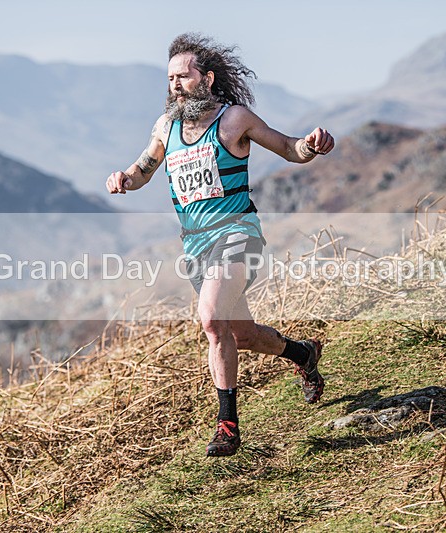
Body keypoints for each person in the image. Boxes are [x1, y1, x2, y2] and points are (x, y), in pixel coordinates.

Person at [106, 33, 335, 457]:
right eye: (170, 78)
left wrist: (312, 144)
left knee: (211, 321)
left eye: (184, 76)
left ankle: (227, 427)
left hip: (238, 235)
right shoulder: (165, 127)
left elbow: (289, 147)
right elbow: (143, 170)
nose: (175, 84)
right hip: (196, 247)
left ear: (207, 79)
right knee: (240, 334)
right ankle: (303, 354)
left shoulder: (234, 120)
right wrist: (123, 179)